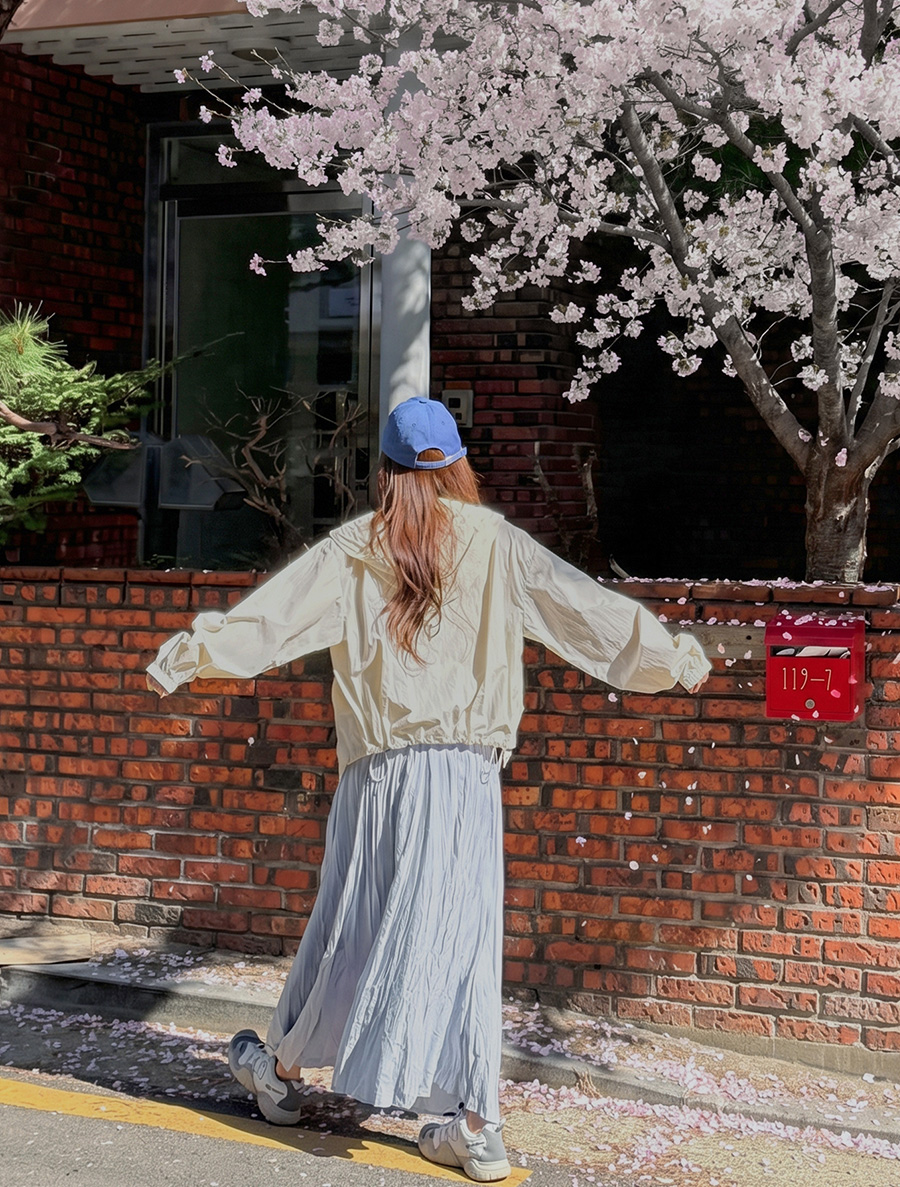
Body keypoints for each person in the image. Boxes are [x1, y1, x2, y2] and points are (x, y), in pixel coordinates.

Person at [147, 395, 710, 1183]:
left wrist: (190, 654)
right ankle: (475, 1125)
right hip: (466, 775)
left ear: (384, 470)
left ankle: (281, 1070)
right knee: (463, 943)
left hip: (377, 774)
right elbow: (588, 612)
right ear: (458, 464)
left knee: (350, 927)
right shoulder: (496, 544)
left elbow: (271, 621)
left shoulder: (356, 548)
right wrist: (670, 658)